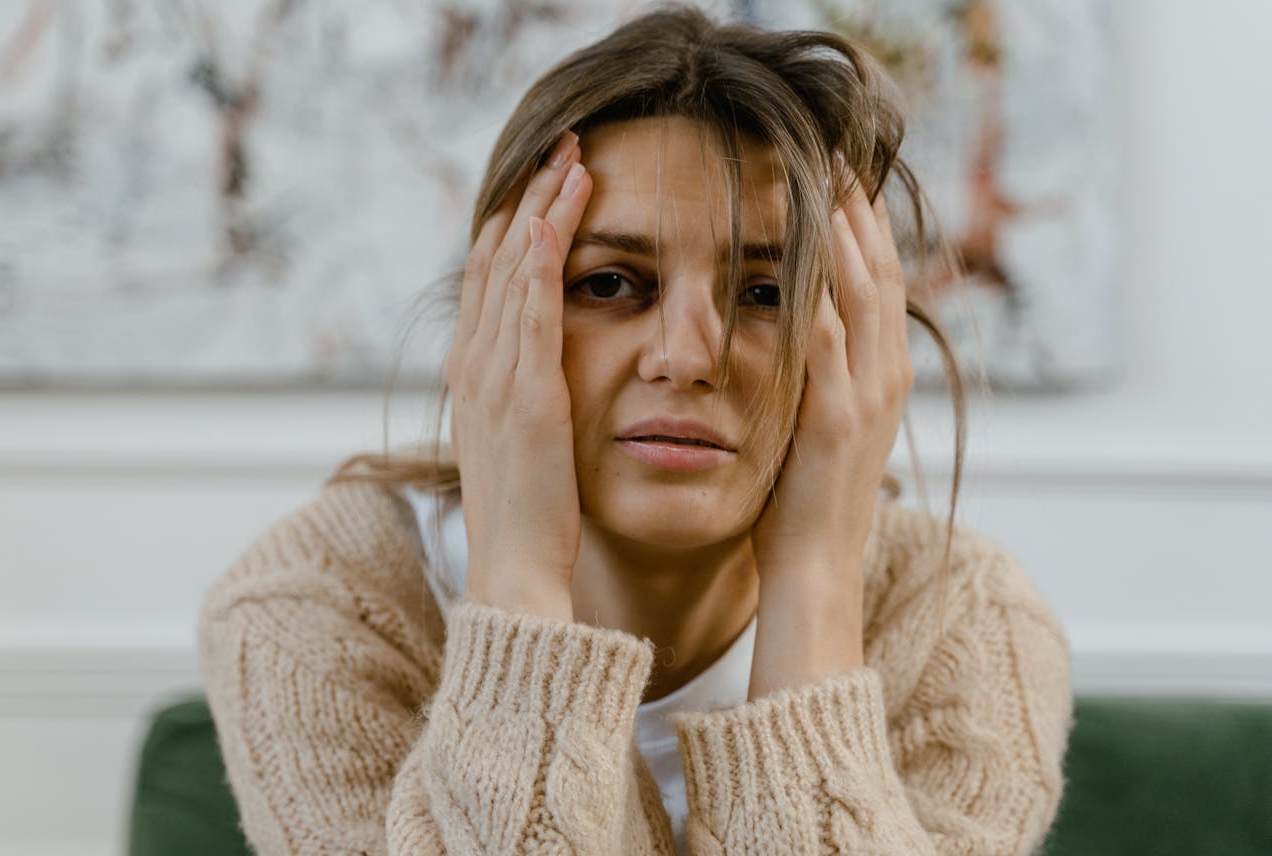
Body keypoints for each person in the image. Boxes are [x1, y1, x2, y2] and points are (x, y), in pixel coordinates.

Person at [198, 6, 1073, 854]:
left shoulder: (963, 623)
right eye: (610, 283)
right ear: (498, 314)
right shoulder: (316, 608)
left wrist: (813, 582)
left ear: (862, 340)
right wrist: (520, 579)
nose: (685, 358)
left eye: (764, 293)